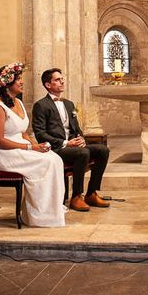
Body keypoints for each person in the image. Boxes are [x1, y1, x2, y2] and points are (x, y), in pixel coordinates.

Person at [0, 62, 66, 227]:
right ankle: (38, 215)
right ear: (7, 82)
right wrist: (31, 148)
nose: (22, 82)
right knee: (46, 162)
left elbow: (21, 131)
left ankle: (50, 210)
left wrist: (37, 144)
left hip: (18, 145)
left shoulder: (18, 102)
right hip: (1, 152)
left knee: (54, 158)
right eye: (18, 79)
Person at [32, 68, 110, 212]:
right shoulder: (41, 105)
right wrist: (66, 143)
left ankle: (91, 193)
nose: (62, 81)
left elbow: (76, 127)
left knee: (102, 150)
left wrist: (80, 139)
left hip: (72, 145)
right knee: (83, 154)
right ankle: (76, 196)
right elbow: (40, 134)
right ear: (48, 85)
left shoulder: (68, 104)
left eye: (62, 79)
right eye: (57, 79)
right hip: (56, 148)